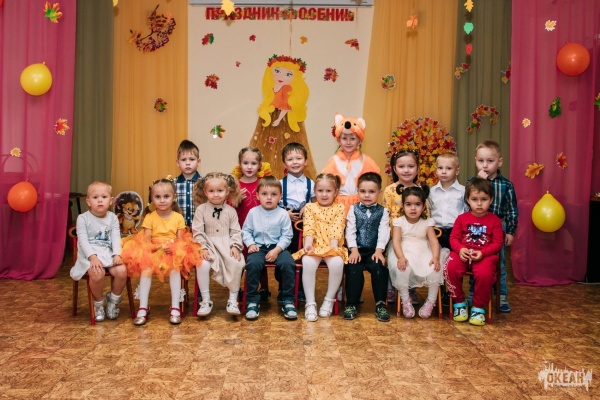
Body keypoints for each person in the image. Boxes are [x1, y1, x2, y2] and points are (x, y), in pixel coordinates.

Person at [121, 178, 201, 326]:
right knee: (146, 269)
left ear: (173, 197)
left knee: (175, 269)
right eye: (157, 197)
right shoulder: (150, 217)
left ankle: (175, 306)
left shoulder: (178, 217)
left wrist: (174, 246)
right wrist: (157, 247)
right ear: (152, 198)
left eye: (166, 196)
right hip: (153, 250)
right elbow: (146, 241)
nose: (162, 200)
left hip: (172, 251)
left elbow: (181, 240)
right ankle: (143, 307)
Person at [445, 178, 504, 326]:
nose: (479, 204)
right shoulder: (461, 219)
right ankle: (459, 302)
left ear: (491, 200)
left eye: (484, 199)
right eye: (474, 199)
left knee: (484, 273)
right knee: (450, 266)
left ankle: (478, 307)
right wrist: (460, 249)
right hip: (463, 253)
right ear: (467, 200)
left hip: (485, 255)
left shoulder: (495, 221)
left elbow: (498, 243)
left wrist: (483, 253)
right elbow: (453, 238)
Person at [250, 55, 317, 179]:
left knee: (286, 148)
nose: (281, 76)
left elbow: (286, 107)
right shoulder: (271, 90)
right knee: (269, 148)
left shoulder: (287, 90)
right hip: (271, 118)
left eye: (288, 74)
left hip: (285, 121)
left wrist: (279, 119)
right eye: (277, 71)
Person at [292, 173, 348, 322]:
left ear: (335, 192)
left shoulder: (340, 208)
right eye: (320, 191)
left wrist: (333, 246)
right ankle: (310, 303)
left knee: (337, 263)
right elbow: (309, 227)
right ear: (315, 192)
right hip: (315, 245)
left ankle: (329, 300)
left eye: (328, 191)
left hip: (332, 245)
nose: (324, 194)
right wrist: (308, 244)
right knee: (308, 262)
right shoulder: (310, 207)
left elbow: (337, 228)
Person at [70, 181, 127, 322]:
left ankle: (113, 300)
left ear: (110, 200)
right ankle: (98, 302)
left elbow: (116, 237)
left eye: (104, 197)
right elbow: (83, 241)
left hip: (107, 252)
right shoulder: (83, 218)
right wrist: (92, 257)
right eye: (95, 197)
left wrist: (117, 254)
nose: (100, 200)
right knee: (97, 273)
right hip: (89, 254)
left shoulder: (113, 218)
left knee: (121, 271)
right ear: (88, 202)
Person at [472, 140, 518, 313]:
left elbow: (512, 210)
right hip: (477, 227)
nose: (485, 165)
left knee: (500, 263)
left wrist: (510, 231)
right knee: (476, 261)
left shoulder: (506, 185)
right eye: (481, 161)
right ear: (476, 161)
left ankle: (501, 295)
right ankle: (473, 294)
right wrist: (478, 182)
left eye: (490, 161)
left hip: (498, 227)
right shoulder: (472, 182)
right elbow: (466, 204)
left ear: (499, 162)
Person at [242, 176, 297, 320]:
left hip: (279, 247)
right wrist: (251, 244)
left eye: (273, 194)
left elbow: (287, 236)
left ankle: (288, 299)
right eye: (264, 194)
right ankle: (252, 300)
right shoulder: (253, 212)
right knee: (253, 264)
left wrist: (277, 250)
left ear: (280, 196)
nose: (269, 198)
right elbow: (246, 231)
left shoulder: (283, 214)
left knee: (288, 263)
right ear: (257, 195)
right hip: (258, 246)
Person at [390, 185, 447, 319]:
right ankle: (406, 301)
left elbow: (434, 242)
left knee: (434, 269)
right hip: (404, 251)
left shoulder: (427, 222)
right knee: (402, 269)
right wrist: (401, 257)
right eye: (408, 204)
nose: (413, 208)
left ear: (423, 206)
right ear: (403, 206)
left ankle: (431, 301)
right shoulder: (398, 222)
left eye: (417, 204)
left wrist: (435, 257)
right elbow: (396, 242)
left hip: (423, 251)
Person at [192, 172, 245, 316]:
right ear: (205, 192)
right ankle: (206, 300)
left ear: (227, 191)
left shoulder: (231, 211)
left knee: (237, 262)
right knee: (202, 264)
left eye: (220, 191)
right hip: (208, 243)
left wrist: (235, 246)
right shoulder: (201, 210)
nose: (216, 195)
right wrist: (202, 247)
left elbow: (236, 231)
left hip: (226, 243)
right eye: (211, 191)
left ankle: (233, 300)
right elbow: (197, 231)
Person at [344, 172, 391, 322]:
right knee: (353, 268)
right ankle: (352, 303)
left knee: (379, 267)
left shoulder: (383, 211)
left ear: (379, 192)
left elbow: (384, 231)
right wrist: (353, 250)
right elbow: (350, 230)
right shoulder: (353, 209)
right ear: (357, 191)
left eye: (371, 191)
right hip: (356, 250)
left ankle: (380, 304)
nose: (367, 195)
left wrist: (379, 251)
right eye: (363, 191)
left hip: (374, 250)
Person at [231, 147, 273, 300]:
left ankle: (264, 288)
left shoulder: (263, 183)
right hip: (240, 229)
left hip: (260, 230)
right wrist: (236, 200)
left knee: (258, 258)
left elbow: (271, 203)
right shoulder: (235, 185)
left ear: (260, 165)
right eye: (245, 163)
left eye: (253, 163)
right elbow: (228, 208)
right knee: (240, 260)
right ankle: (237, 288)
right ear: (239, 164)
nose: (249, 167)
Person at [383, 150, 423, 305]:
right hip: (394, 235)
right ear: (395, 169)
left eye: (411, 166)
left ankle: (410, 289)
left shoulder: (420, 190)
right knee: (391, 259)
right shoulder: (390, 190)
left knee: (413, 259)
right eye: (401, 166)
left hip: (414, 235)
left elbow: (425, 213)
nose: (406, 170)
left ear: (417, 168)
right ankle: (390, 288)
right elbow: (385, 213)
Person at [321, 114, 380, 215]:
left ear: (359, 141)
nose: (348, 142)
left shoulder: (366, 160)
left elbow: (375, 182)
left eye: (352, 138)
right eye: (344, 138)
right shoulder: (334, 160)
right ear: (339, 140)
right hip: (338, 206)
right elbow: (325, 182)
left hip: (361, 204)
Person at [279, 142, 315, 301]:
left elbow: (316, 203)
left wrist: (308, 206)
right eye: (290, 159)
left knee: (302, 255)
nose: (295, 162)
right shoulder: (280, 184)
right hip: (286, 223)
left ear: (305, 161)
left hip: (305, 224)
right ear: (284, 163)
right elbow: (273, 205)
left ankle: (300, 289)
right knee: (286, 255)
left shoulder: (311, 183)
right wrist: (284, 213)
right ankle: (284, 288)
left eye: (299, 158)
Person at [429, 153, 466, 305]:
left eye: (448, 168)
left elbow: (466, 212)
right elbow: (429, 211)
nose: (443, 172)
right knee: (438, 262)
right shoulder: (432, 191)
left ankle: (454, 291)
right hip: (436, 232)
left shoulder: (463, 191)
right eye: (440, 168)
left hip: (455, 232)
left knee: (453, 263)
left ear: (457, 170)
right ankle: (440, 292)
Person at [175, 139, 202, 228]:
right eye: (183, 160)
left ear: (198, 162)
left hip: (200, 228)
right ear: (177, 163)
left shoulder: (204, 183)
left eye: (192, 159)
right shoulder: (172, 184)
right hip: (178, 228)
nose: (187, 163)